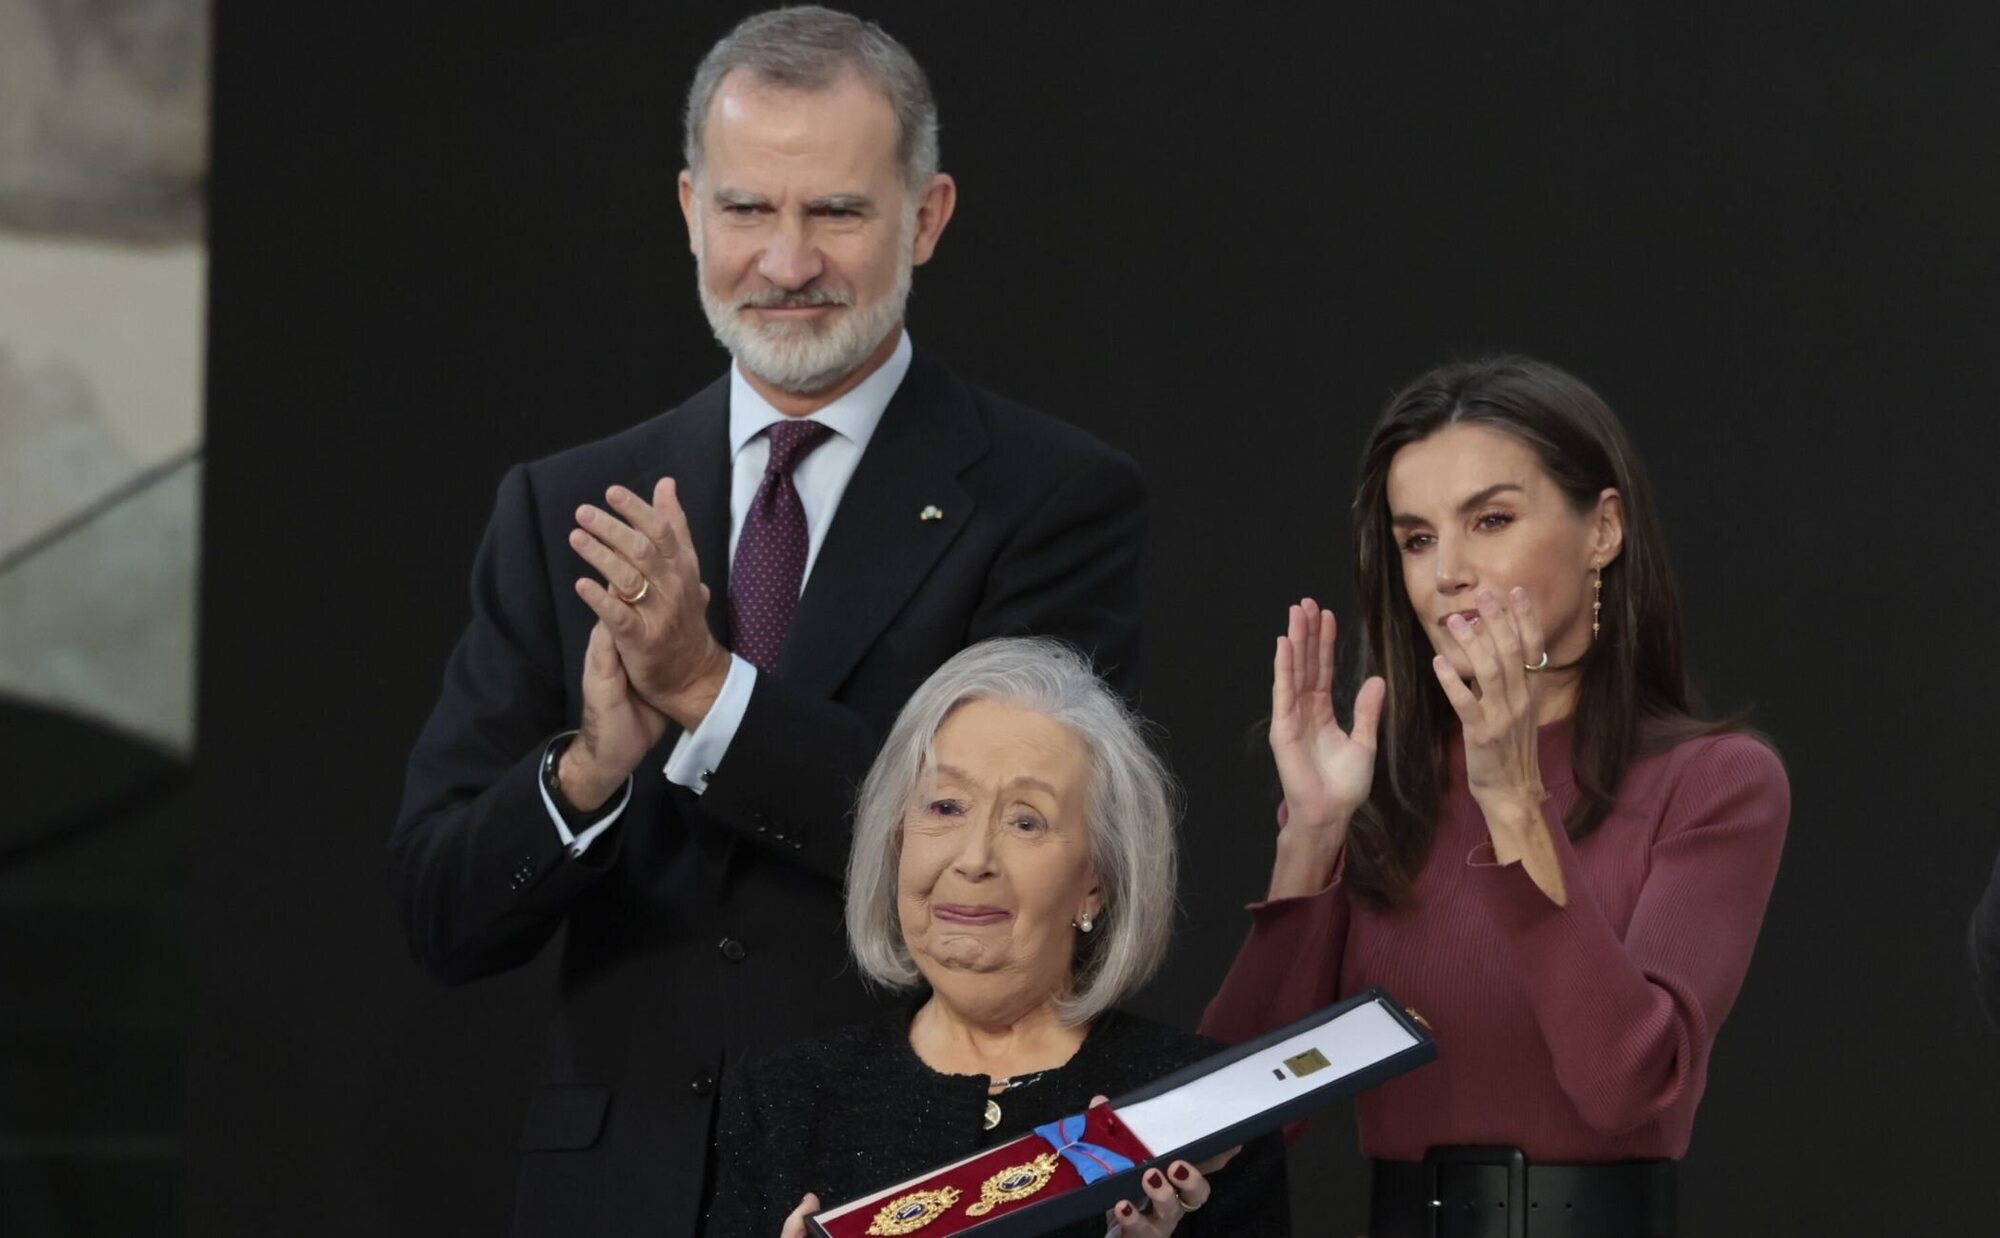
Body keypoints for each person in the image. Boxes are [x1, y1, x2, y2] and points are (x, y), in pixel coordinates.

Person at [387, 10, 1146, 1236]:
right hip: (607, 1197)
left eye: (836, 213)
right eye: (747, 210)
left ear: (928, 216)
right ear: (690, 210)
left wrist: (705, 691)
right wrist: (589, 769)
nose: (786, 262)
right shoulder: (564, 504)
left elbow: (1010, 856)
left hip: (901, 1179)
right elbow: (442, 909)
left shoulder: (1051, 499)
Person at [1200, 356, 1788, 1237]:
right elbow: (1231, 1122)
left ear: (1604, 530)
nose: (1449, 573)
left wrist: (1516, 802)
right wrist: (1313, 834)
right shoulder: (1373, 787)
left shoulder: (1715, 782)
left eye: (1492, 520)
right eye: (1418, 539)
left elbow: (1622, 1084)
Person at [707, 638, 1288, 1238]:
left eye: (1026, 821)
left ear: (1096, 882)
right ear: (896, 838)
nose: (974, 857)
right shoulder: (784, 1101)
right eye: (946, 807)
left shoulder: (1207, 1106)